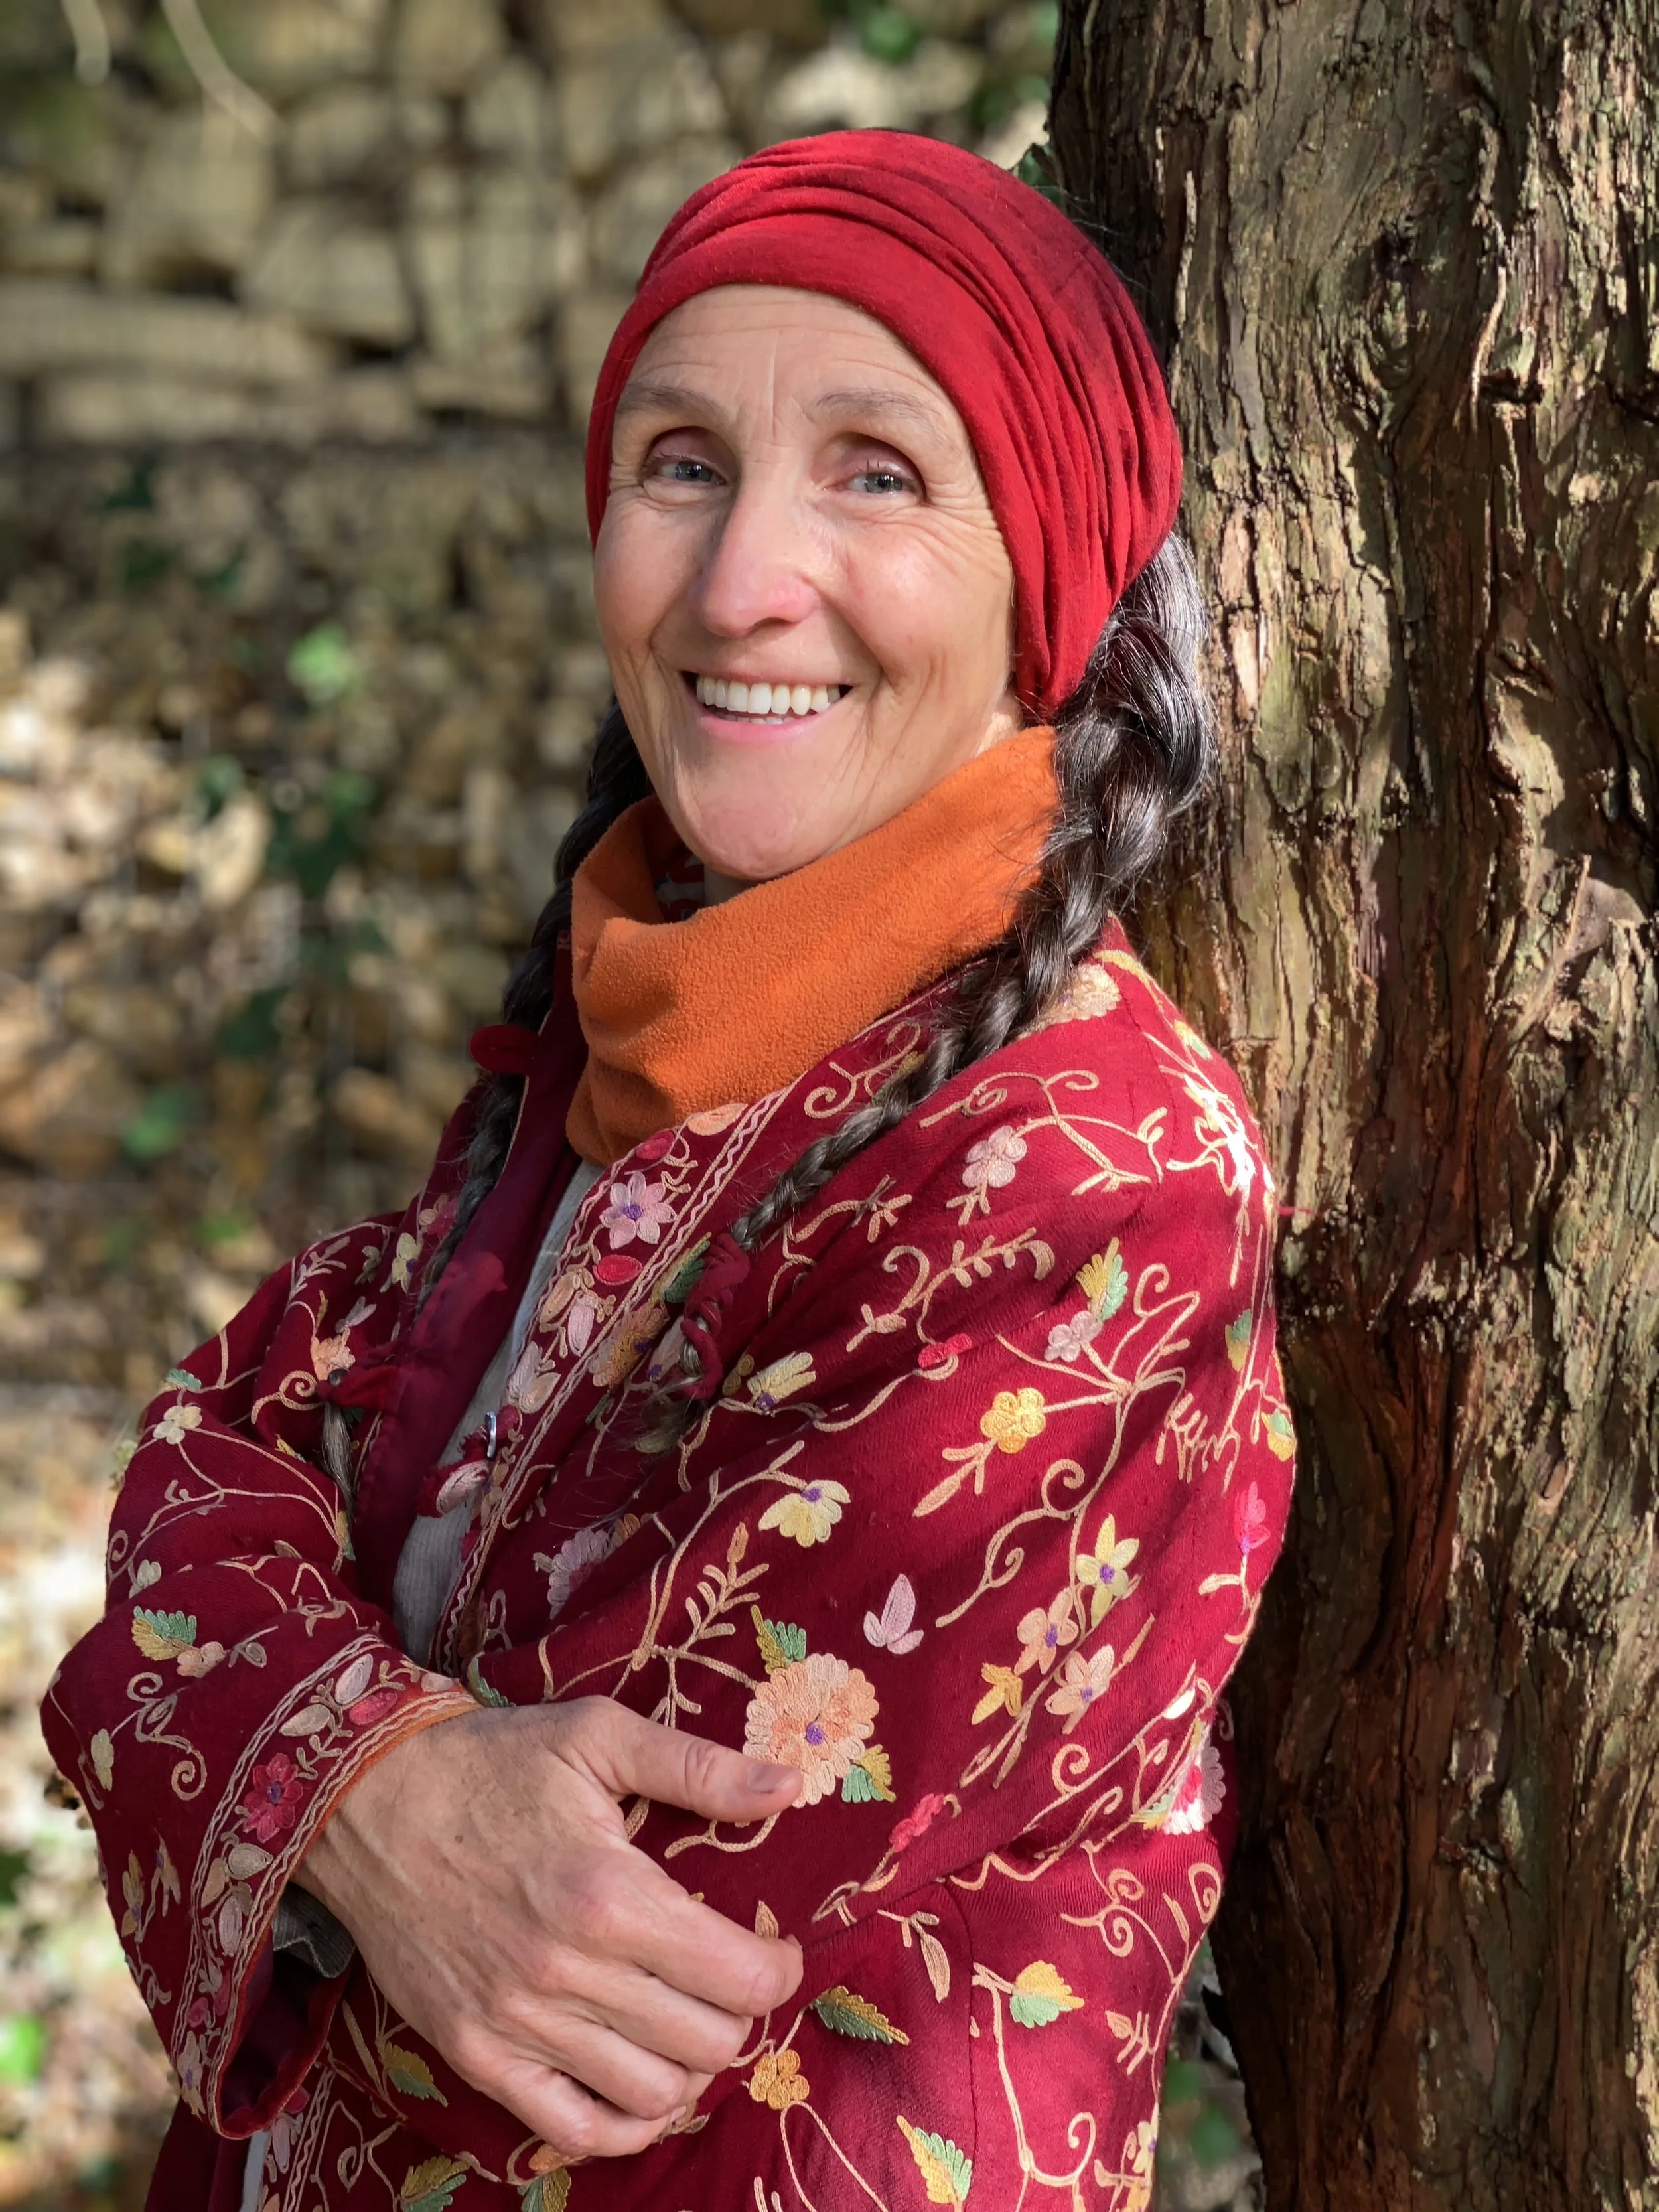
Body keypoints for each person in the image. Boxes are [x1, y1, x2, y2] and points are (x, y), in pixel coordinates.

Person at [43, 130, 1295, 2211]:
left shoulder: (1089, 1178)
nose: (737, 586)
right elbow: (216, 1452)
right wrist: (370, 1781)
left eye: (875, 473)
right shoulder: (617, 1043)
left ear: (1047, 576)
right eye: (683, 463)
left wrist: (297, 1753)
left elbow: (594, 1941)